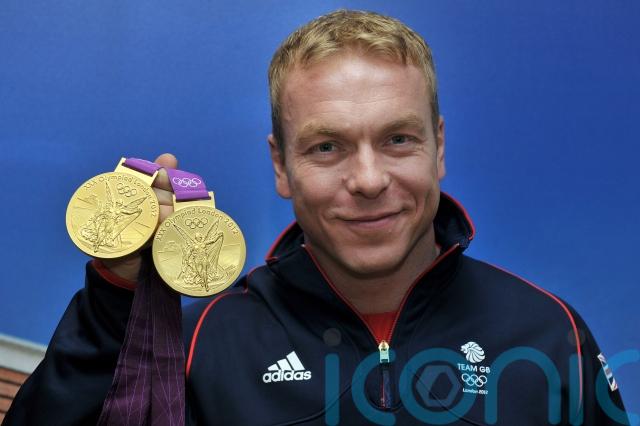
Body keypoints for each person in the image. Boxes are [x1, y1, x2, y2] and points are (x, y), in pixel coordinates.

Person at [4, 9, 629, 425]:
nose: (368, 179)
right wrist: (117, 300)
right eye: (327, 147)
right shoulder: (202, 343)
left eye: (398, 140)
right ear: (281, 165)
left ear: (439, 147)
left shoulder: (550, 332)